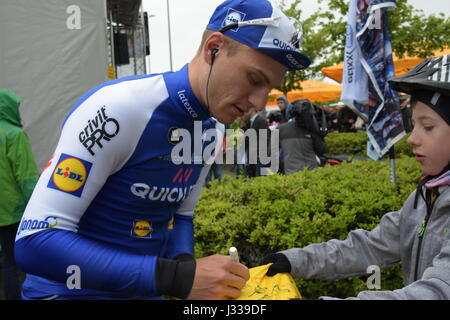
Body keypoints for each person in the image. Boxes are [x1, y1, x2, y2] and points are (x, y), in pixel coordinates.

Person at [14, 0, 311, 300]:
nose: (260, 103)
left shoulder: (214, 127)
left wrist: (184, 265)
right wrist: (175, 278)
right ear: (213, 48)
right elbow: (33, 243)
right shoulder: (118, 108)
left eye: (269, 88)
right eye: (254, 79)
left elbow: (181, 215)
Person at [262, 54, 450, 299]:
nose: (412, 138)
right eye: (412, 124)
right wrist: (294, 260)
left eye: (427, 126)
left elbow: (435, 292)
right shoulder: (426, 196)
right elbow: (369, 247)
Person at [0, 89, 39, 300]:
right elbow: (26, 177)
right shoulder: (15, 135)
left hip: (2, 213)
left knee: (8, 260)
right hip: (18, 212)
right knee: (29, 259)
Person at [279, 100, 327, 174]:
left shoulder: (280, 129)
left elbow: (270, 153)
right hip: (312, 173)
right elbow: (321, 150)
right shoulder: (311, 128)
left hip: (290, 174)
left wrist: (283, 167)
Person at [243, 107, 270, 177]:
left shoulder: (260, 120)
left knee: (259, 178)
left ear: (252, 109)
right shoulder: (249, 122)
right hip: (253, 156)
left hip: (259, 156)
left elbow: (265, 137)